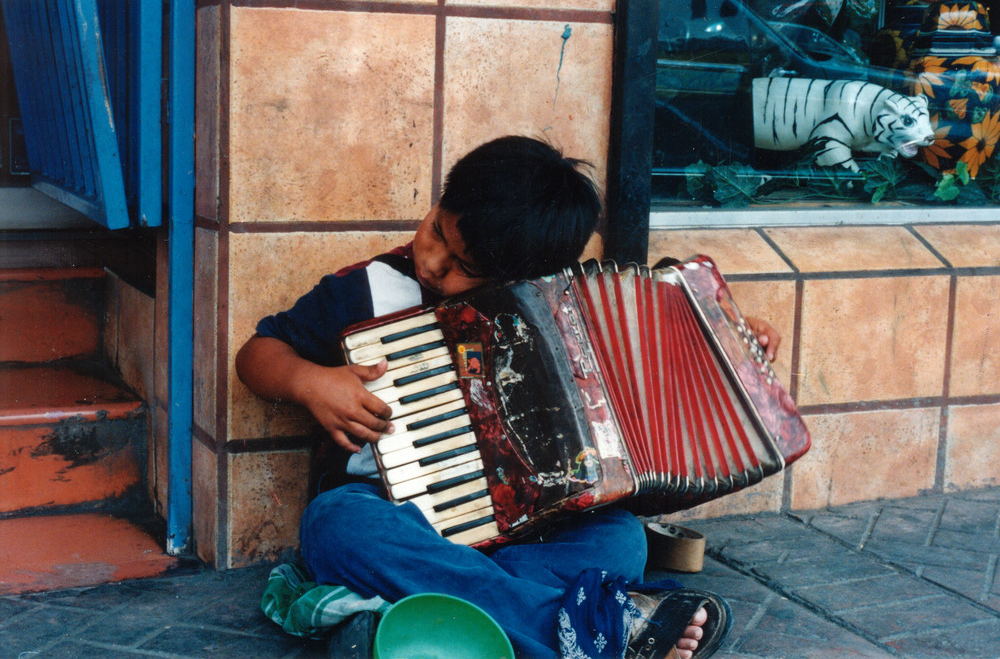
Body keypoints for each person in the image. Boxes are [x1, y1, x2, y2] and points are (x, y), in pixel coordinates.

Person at [237, 136, 753, 659]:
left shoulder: (557, 317)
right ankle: (586, 628)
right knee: (335, 527)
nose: (435, 263)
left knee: (621, 540)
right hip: (396, 515)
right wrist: (310, 381)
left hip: (526, 531)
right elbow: (257, 354)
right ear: (439, 202)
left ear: (518, 279)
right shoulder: (368, 290)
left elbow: (658, 354)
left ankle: (441, 616)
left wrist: (729, 341)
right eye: (437, 229)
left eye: (466, 267)